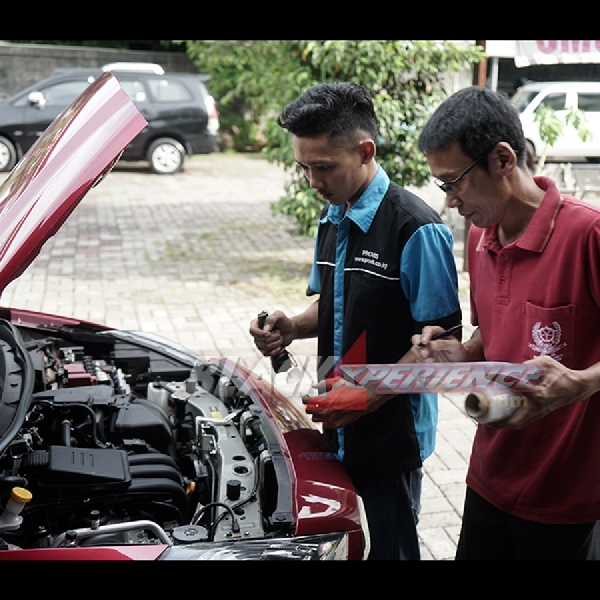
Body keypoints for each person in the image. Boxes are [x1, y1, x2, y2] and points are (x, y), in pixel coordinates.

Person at [249, 82, 461, 560]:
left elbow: (444, 341)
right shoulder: (333, 216)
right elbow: (334, 303)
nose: (312, 180)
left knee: (392, 549)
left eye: (323, 167)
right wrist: (292, 327)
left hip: (393, 431)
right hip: (339, 418)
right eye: (304, 167)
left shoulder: (416, 227)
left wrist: (371, 395)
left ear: (365, 151)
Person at [416, 85, 600, 560]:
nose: (452, 200)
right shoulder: (479, 238)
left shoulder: (587, 235)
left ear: (502, 159)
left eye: (454, 181)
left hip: (563, 494)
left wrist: (580, 383)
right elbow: (494, 329)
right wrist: (465, 353)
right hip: (489, 475)